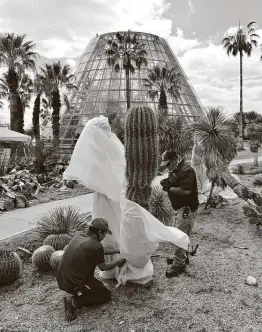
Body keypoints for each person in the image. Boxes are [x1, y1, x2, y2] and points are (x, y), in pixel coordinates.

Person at [56, 218, 126, 321]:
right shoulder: (95, 246)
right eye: (105, 233)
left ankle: (78, 292)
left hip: (61, 278)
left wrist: (117, 250)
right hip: (73, 283)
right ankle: (74, 302)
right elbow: (103, 267)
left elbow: (99, 250)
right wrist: (118, 262)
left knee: (99, 287)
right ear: (99, 232)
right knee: (105, 295)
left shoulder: (79, 236)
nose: (105, 236)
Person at [160, 150, 199, 278]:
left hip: (186, 208)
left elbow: (186, 191)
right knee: (180, 234)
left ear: (175, 159)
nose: (167, 166)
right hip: (179, 208)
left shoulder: (186, 170)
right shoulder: (176, 169)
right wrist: (167, 182)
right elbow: (175, 180)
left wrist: (169, 188)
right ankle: (183, 256)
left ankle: (179, 264)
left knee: (179, 236)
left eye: (168, 163)